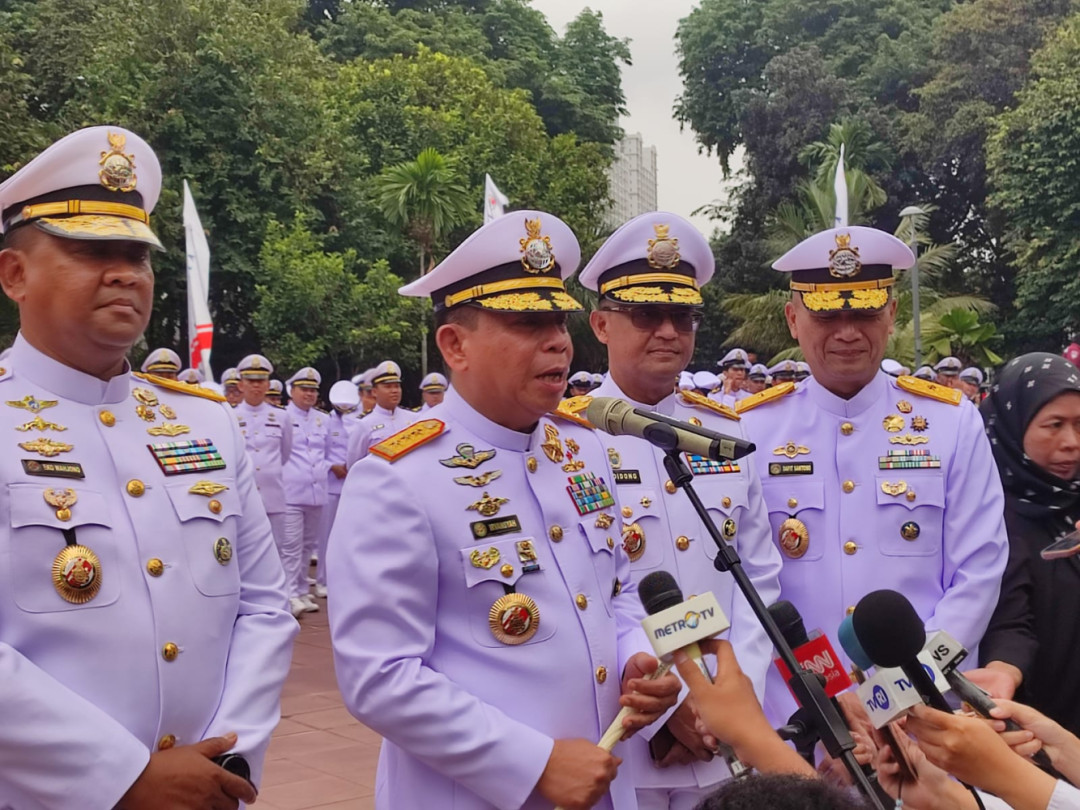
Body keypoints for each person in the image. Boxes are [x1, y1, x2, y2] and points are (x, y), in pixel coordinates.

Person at [327, 211, 681, 810]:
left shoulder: (584, 449)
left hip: (601, 783)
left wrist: (634, 658)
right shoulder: (398, 477)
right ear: (455, 345)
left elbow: (616, 590)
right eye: (527, 323)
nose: (558, 341)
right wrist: (533, 763)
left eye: (559, 321)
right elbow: (379, 676)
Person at [0, 125, 296, 808]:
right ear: (15, 274)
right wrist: (121, 776)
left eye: (138, 254)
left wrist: (231, 757)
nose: (126, 273)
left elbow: (263, 605)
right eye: (91, 251)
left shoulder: (204, 421)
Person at [735, 219, 1009, 720]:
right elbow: (745, 587)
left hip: (924, 707)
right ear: (793, 319)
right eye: (826, 315)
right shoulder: (750, 431)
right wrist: (814, 704)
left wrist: (902, 691)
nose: (847, 332)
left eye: (864, 312)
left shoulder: (950, 423)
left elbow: (979, 571)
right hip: (794, 711)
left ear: (892, 315)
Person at [580, 211, 784, 810]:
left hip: (723, 731)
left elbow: (758, 578)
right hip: (626, 728)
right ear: (601, 324)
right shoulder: (567, 438)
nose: (668, 331)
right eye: (646, 315)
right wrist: (669, 710)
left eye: (683, 315)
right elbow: (586, 595)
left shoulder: (724, 431)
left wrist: (731, 698)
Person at [966, 352, 1080, 736]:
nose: (1071, 442)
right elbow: (1009, 621)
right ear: (1012, 424)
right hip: (1032, 731)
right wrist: (1004, 670)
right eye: (1054, 425)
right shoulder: (989, 514)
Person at [234, 353, 296, 614]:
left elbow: (285, 453)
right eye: (251, 380)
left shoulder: (281, 417)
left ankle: (278, 603)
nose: (257, 386)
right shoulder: (230, 415)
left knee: (277, 550)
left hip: (273, 495)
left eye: (261, 380)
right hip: (244, 497)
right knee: (242, 553)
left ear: (268, 384)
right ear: (241, 384)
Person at [283, 367, 329, 616]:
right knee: (291, 546)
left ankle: (301, 590)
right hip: (291, 490)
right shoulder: (282, 417)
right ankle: (289, 593)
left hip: (316, 491)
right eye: (304, 389)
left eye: (313, 390)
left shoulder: (323, 419)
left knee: (307, 545)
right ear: (292, 391)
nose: (309, 394)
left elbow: (327, 452)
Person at [315, 379, 358, 600]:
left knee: (350, 536)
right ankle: (322, 580)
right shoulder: (324, 422)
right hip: (331, 484)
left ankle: (346, 579)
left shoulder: (358, 422)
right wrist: (332, 466)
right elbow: (316, 453)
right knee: (327, 536)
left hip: (353, 485)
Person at [345, 360, 411, 466]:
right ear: (374, 392)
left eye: (397, 386)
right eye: (388, 387)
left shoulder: (414, 419)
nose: (394, 390)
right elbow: (353, 465)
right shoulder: (363, 425)